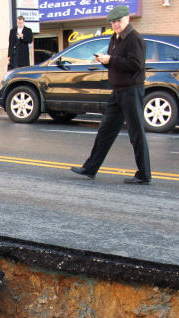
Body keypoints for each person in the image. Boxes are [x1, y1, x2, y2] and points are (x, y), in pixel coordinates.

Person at [70, 5, 151, 185]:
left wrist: (111, 60)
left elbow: (136, 64)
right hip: (118, 91)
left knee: (136, 132)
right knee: (105, 130)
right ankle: (90, 168)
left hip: (131, 90)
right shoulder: (115, 39)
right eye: (113, 22)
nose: (115, 25)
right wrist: (105, 61)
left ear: (127, 19)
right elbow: (116, 63)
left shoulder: (134, 38)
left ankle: (144, 174)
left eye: (118, 21)